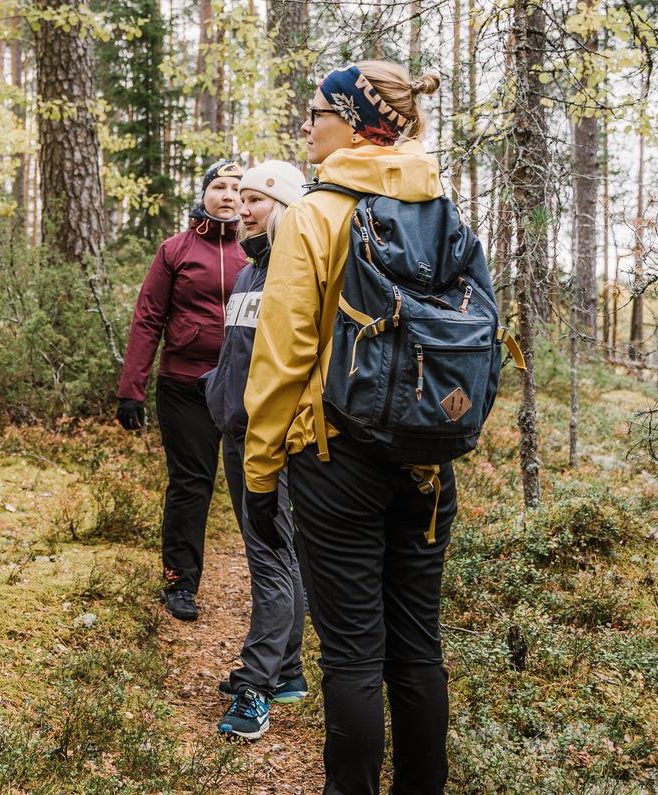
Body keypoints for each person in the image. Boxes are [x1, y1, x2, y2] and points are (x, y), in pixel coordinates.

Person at [241, 63, 449, 793]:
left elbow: (283, 356)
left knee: (355, 655)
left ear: (356, 122)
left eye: (317, 111)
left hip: (336, 459)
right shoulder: (437, 203)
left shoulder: (314, 214)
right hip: (426, 459)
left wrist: (260, 473)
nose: (306, 125)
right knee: (418, 648)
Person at [201, 159, 311, 740]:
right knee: (273, 553)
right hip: (238, 431)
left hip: (274, 439)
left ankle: (257, 685)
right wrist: (216, 391)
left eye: (255, 200)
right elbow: (239, 354)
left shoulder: (296, 274)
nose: (242, 210)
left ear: (285, 206)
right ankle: (287, 670)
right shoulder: (249, 273)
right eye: (239, 200)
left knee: (271, 556)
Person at [118, 159, 249, 622]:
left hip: (245, 384)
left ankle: (282, 584)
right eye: (219, 186)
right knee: (191, 484)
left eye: (237, 188)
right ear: (204, 194)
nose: (228, 195)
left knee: (262, 485)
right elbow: (148, 317)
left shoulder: (259, 250)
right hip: (184, 384)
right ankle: (180, 582)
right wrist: (131, 389)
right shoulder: (175, 250)